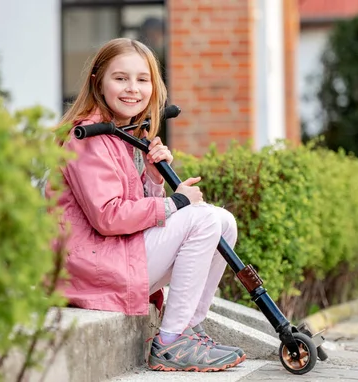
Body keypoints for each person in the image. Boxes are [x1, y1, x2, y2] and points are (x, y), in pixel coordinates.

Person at [46, 38, 245, 372]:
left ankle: (189, 330)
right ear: (98, 81)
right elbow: (108, 217)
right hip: (91, 267)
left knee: (223, 221)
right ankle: (170, 342)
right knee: (204, 219)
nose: (132, 89)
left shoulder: (120, 134)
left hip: (115, 254)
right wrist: (177, 202)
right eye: (120, 78)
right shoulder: (88, 137)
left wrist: (153, 178)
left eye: (142, 79)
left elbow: (137, 214)